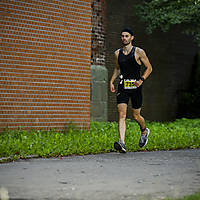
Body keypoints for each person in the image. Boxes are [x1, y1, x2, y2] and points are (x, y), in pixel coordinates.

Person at [110, 28, 152, 153]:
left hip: (136, 87)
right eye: (122, 36)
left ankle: (144, 131)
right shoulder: (117, 53)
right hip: (123, 86)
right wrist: (112, 81)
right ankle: (122, 143)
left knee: (136, 115)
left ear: (132, 37)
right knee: (122, 115)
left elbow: (149, 68)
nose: (124, 38)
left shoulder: (139, 52)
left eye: (126, 36)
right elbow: (117, 69)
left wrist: (141, 80)